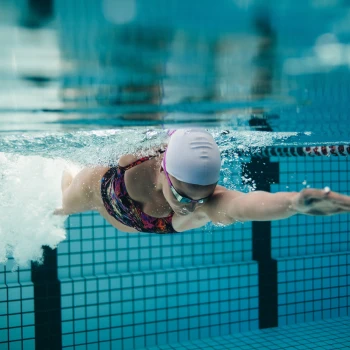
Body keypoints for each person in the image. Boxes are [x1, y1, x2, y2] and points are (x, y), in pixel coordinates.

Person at [54, 129, 350, 233]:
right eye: (183, 197)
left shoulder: (201, 207)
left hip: (127, 221)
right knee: (58, 206)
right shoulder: (137, 156)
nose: (191, 206)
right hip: (97, 190)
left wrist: (294, 204)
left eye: (203, 196)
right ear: (163, 172)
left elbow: (244, 206)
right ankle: (59, 170)